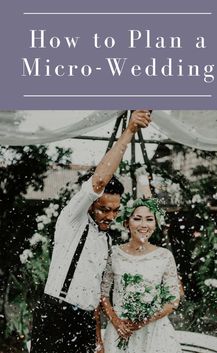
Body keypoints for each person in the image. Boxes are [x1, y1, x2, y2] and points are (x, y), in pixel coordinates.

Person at [30, 110, 151, 353]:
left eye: (115, 211)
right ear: (91, 203)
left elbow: (94, 293)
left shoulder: (105, 241)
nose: (111, 216)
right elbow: (98, 181)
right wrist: (129, 132)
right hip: (57, 314)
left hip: (84, 321)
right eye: (104, 209)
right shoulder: (72, 219)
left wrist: (97, 338)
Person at [101, 198, 182, 353]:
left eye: (149, 219)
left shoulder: (164, 256)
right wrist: (117, 322)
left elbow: (173, 300)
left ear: (155, 224)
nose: (143, 225)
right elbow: (103, 294)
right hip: (121, 331)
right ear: (126, 223)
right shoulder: (114, 254)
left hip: (154, 332)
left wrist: (145, 319)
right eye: (137, 219)